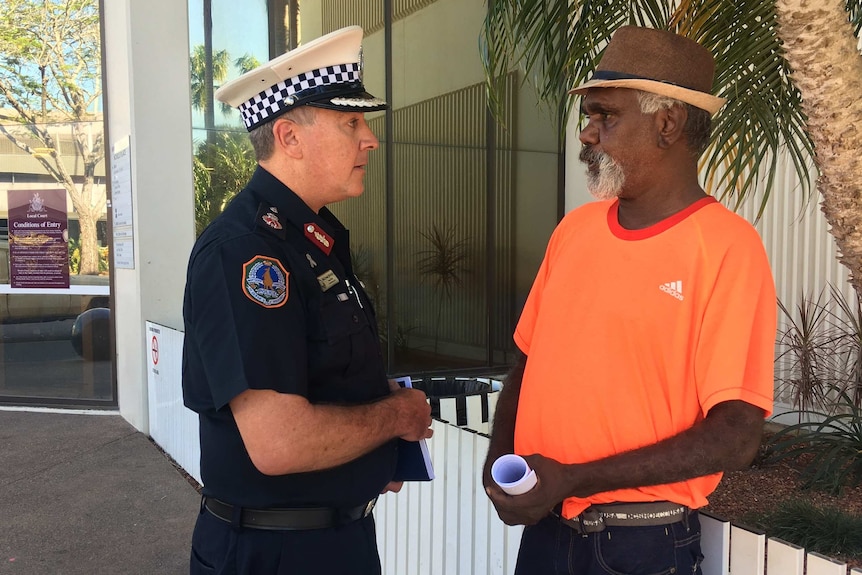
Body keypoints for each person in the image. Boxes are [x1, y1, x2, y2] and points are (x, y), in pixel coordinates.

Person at [483, 26, 776, 575]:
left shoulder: (727, 247)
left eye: (606, 117)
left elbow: (735, 435)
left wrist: (575, 477)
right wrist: (497, 461)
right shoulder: (575, 230)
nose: (588, 136)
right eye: (588, 118)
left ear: (667, 124)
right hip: (546, 534)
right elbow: (525, 363)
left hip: (639, 546)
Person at [181, 26, 433, 575]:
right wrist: (395, 418)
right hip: (276, 554)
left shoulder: (310, 241)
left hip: (333, 540)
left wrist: (372, 430)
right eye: (351, 122)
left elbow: (321, 377)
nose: (370, 139)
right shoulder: (250, 252)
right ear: (290, 138)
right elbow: (280, 443)